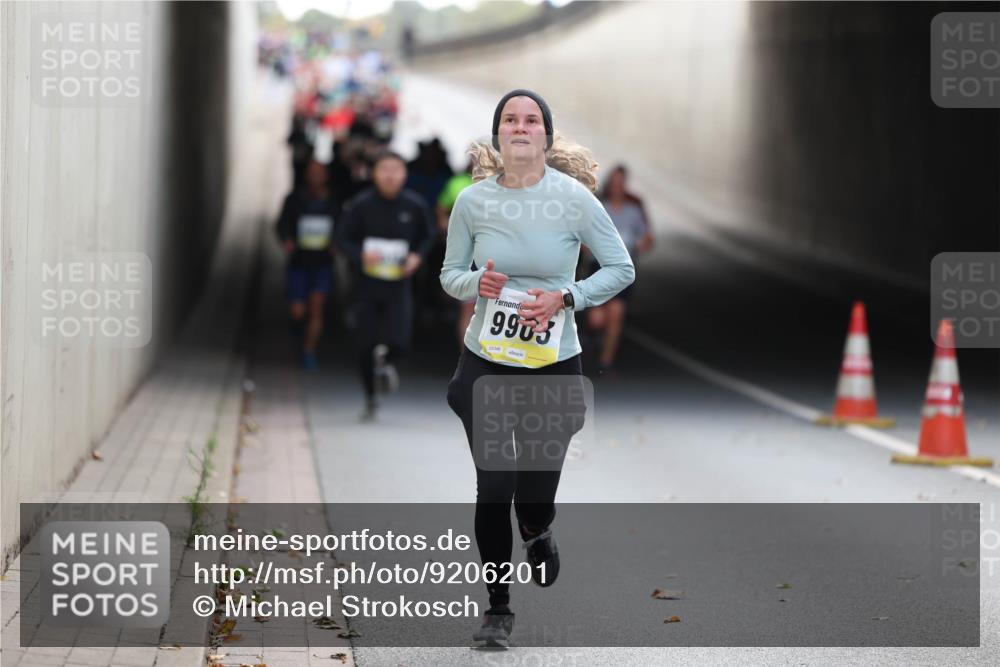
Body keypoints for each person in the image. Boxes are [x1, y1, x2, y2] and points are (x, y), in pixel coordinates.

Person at [440, 89, 634, 646]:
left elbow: (621, 269)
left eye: (531, 120)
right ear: (499, 135)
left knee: (534, 495)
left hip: (552, 361)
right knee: (493, 486)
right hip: (488, 360)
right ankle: (497, 608)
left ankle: (537, 528)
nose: (520, 127)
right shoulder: (474, 203)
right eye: (510, 119)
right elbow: (449, 274)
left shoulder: (573, 200)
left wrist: (565, 298)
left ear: (545, 135)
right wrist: (478, 283)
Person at [337, 150, 436, 421]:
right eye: (384, 170)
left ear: (405, 174)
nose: (390, 176)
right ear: (374, 173)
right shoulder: (361, 205)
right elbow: (342, 239)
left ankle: (387, 362)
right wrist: (360, 255)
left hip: (399, 286)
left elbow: (429, 237)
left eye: (396, 170)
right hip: (366, 286)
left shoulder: (415, 206)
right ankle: (370, 396)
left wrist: (417, 256)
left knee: (401, 340)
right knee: (364, 344)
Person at [585, 164, 654, 375]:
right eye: (613, 183)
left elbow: (648, 237)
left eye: (620, 184)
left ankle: (606, 361)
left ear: (624, 186)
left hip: (623, 270)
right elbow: (583, 234)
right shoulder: (599, 206)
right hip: (599, 267)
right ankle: (596, 336)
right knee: (596, 319)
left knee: (616, 313)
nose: (616, 187)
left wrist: (641, 244)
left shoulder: (633, 212)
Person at [275, 159, 338, 370]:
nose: (316, 177)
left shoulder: (333, 201)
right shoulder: (294, 199)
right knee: (297, 310)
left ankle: (309, 350)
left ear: (327, 176)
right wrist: (287, 241)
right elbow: (282, 224)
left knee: (317, 307)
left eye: (320, 173)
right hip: (299, 261)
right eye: (312, 172)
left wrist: (336, 244)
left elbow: (344, 225)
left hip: (322, 263)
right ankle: (298, 333)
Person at [435, 159, 476, 345]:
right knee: (468, 307)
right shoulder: (457, 183)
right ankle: (467, 356)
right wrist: (449, 231)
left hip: (498, 254)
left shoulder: (506, 183)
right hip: (467, 252)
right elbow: (441, 209)